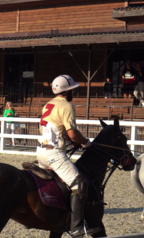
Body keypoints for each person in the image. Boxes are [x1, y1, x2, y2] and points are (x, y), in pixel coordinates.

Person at [37, 74, 101, 238]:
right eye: (73, 89)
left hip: (41, 152)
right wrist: (85, 142)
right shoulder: (66, 105)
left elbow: (56, 129)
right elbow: (72, 133)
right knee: (80, 184)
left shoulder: (48, 104)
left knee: (61, 184)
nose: (74, 92)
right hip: (54, 153)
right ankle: (77, 228)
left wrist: (69, 140)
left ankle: (59, 218)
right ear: (67, 91)